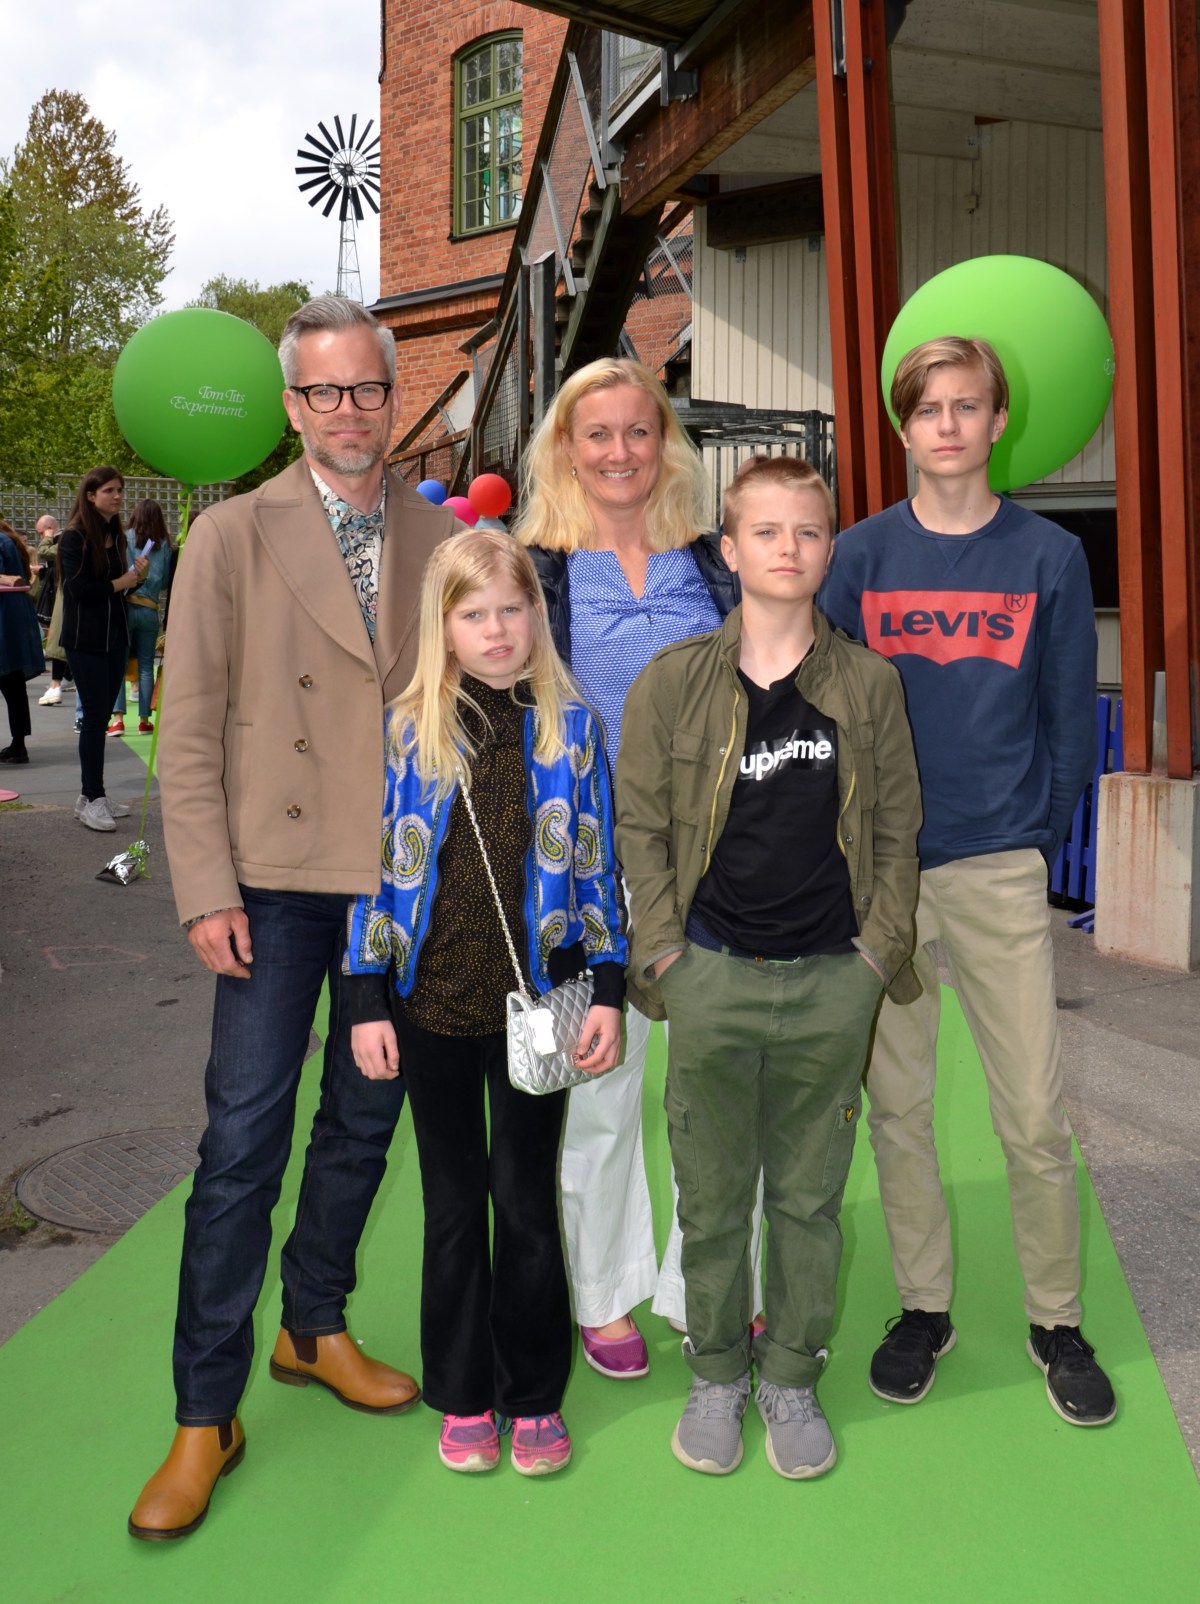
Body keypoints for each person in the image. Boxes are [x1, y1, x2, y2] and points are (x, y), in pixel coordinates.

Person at [128, 295, 459, 1543]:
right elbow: (189, 727)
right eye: (323, 391)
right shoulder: (231, 533)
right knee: (242, 1144)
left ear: (393, 394)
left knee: (364, 1125)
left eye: (367, 387)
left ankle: (313, 1324)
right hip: (269, 879)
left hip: (395, 882)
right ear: (290, 405)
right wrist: (204, 884)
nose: (348, 411)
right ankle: (203, 1412)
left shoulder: (441, 534)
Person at [819, 335, 1116, 1428]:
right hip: (885, 874)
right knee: (898, 1109)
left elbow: (1068, 713)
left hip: (996, 866)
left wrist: (1033, 835)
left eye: (966, 405)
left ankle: (1055, 1320)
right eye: (927, 407)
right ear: (903, 427)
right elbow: (822, 702)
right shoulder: (859, 556)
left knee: (1032, 1112)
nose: (946, 424)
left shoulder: (1047, 555)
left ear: (998, 420)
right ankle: (923, 1307)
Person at [616, 455, 921, 1477]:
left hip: (833, 981)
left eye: (808, 531)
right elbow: (641, 829)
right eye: (767, 530)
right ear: (730, 548)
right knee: (710, 1198)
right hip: (710, 974)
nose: (789, 548)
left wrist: (874, 957)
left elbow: (898, 835)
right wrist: (666, 953)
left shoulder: (869, 684)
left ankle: (790, 1371)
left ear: (829, 548)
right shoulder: (672, 683)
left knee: (806, 1198)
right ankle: (714, 1371)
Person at [346, 528, 627, 1476]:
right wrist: (364, 999)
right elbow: (373, 875)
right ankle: (463, 1392)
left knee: (527, 1200)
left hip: (538, 1008)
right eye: (475, 614)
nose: (497, 629)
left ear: (537, 617)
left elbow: (596, 865)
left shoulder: (571, 728)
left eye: (513, 609)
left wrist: (609, 986)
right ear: (445, 625)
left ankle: (534, 1395)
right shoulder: (404, 730)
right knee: (454, 1204)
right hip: (428, 1007)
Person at [516, 356, 759, 1380]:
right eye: (597, 433)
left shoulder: (713, 564)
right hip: (587, 876)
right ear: (565, 449)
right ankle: (604, 1291)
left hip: (718, 866)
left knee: (722, 1090)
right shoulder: (535, 571)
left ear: (666, 443)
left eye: (638, 431)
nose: (620, 452)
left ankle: (712, 1282)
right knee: (599, 1088)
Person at [57, 470, 146, 830]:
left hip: (114, 637)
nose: (118, 495)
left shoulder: (115, 535)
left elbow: (116, 590)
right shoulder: (74, 536)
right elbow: (78, 590)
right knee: (94, 719)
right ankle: (91, 797)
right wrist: (120, 582)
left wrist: (134, 578)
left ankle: (92, 795)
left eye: (120, 490)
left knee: (103, 717)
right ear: (91, 495)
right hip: (85, 639)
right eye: (109, 490)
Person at [107, 499, 173, 735]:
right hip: (150, 608)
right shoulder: (164, 543)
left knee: (118, 662)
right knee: (146, 665)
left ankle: (117, 720)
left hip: (125, 605)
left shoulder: (125, 537)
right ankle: (144, 720)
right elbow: (165, 582)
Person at [0, 520, 44, 764]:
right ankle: (19, 744)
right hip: (15, 615)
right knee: (13, 684)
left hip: (4, 616)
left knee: (11, 683)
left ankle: (18, 746)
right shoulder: (10, 539)